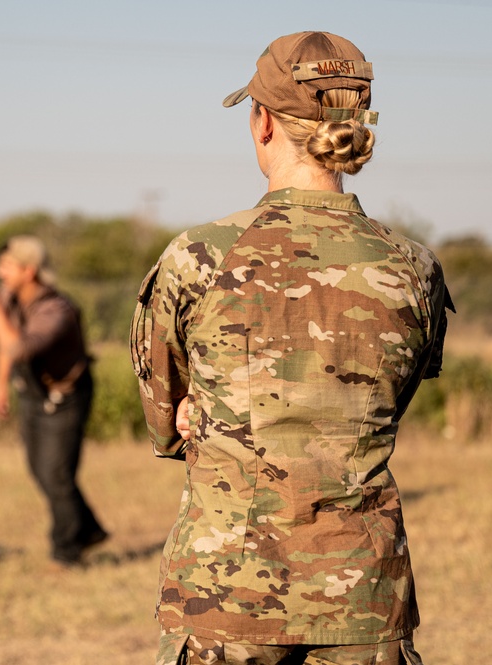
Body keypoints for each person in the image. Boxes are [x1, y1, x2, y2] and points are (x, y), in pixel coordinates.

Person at [131, 32, 453, 665]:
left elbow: (164, 418)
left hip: (227, 591)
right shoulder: (414, 267)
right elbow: (393, 397)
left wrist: (196, 418)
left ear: (263, 124)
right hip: (363, 593)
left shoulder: (200, 257)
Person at [0, 235, 107, 566]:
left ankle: (67, 550)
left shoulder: (55, 310)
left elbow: (17, 347)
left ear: (29, 271)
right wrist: (0, 385)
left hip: (67, 399)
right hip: (33, 395)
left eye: (7, 266)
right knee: (40, 471)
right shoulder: (12, 298)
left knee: (57, 476)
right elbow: (6, 347)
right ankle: (88, 530)